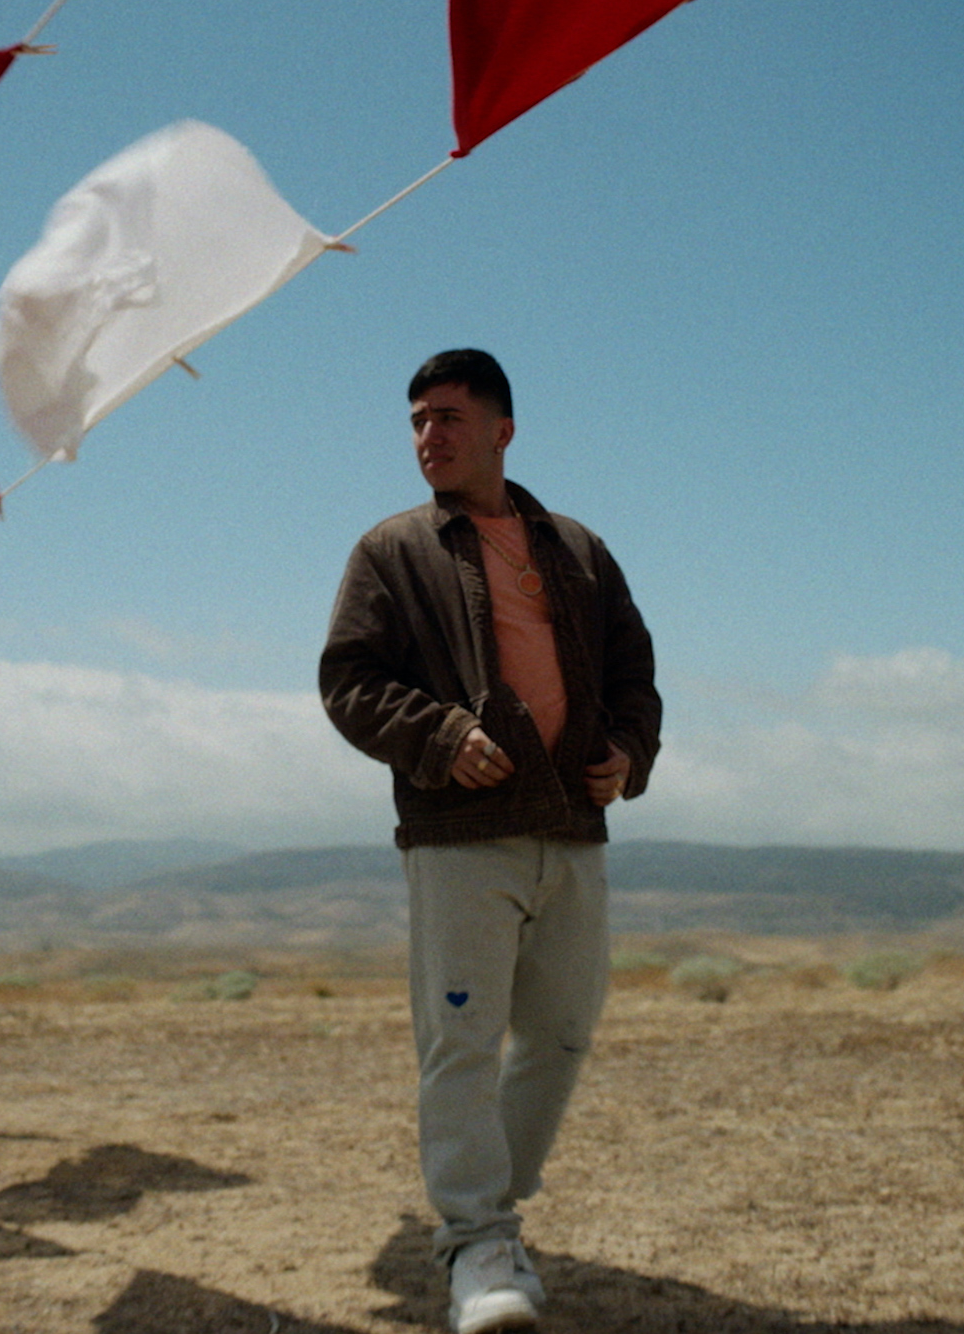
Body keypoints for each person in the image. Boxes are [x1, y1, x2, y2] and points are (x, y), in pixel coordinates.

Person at [320, 349, 660, 1334]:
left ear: (502, 430)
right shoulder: (392, 551)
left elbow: (634, 672)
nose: (429, 436)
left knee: (559, 1033)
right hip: (460, 836)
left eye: (448, 418)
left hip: (573, 829)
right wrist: (437, 737)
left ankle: (485, 1216)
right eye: (418, 421)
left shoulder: (579, 549)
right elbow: (348, 680)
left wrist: (629, 752)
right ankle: (476, 1246)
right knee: (460, 1044)